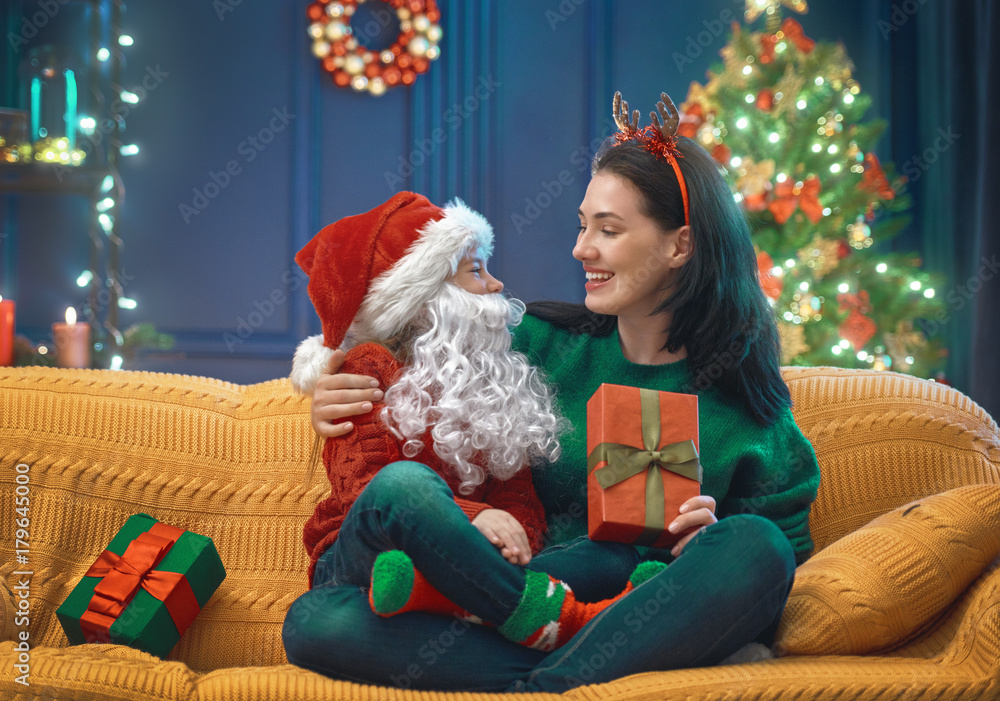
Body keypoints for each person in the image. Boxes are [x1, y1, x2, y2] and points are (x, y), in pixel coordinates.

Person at [285, 92, 821, 692]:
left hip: (613, 608)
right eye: (582, 224)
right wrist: (331, 382)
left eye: (608, 230)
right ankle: (566, 676)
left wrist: (704, 546)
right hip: (491, 592)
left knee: (758, 545)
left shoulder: (752, 414)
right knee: (315, 622)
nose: (581, 249)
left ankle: (546, 679)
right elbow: (406, 332)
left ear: (680, 246)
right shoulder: (528, 342)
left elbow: (783, 577)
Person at [284, 192, 664, 660]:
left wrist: (513, 541)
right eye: (476, 271)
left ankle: (460, 605)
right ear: (426, 297)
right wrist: (475, 519)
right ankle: (563, 622)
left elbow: (516, 495)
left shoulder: (493, 381)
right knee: (403, 484)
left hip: (472, 572)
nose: (495, 284)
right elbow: (369, 492)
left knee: (612, 556)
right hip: (367, 559)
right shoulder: (369, 368)